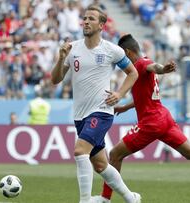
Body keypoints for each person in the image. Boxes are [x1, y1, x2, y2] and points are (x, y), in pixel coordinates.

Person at [94, 34, 190, 203]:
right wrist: (125, 107)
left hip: (151, 122)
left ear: (128, 52)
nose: (122, 63)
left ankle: (105, 198)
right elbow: (146, 94)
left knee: (115, 154)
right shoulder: (143, 63)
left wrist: (163, 69)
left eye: (122, 57)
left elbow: (154, 67)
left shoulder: (141, 64)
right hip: (164, 117)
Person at [51, 6, 141, 203]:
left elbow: (133, 73)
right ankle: (131, 198)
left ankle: (84, 200)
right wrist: (61, 59)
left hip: (101, 112)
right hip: (80, 115)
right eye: (84, 18)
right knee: (100, 165)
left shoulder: (111, 50)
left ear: (101, 25)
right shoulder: (73, 48)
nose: (86, 21)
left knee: (79, 150)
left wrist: (119, 93)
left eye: (91, 18)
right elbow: (55, 79)